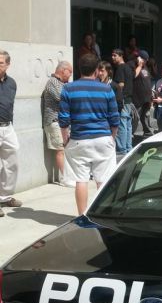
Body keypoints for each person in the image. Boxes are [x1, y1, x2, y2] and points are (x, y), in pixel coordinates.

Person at [58, 54, 119, 216]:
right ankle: (103, 215)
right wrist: (112, 137)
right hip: (103, 138)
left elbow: (63, 119)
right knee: (103, 180)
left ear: (79, 69)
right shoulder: (107, 89)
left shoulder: (68, 88)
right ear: (97, 70)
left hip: (79, 139)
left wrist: (65, 140)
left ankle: (82, 216)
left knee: (81, 180)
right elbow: (114, 118)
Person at [42, 61, 74, 185]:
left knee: (65, 149)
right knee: (60, 150)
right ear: (63, 70)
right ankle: (64, 179)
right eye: (69, 72)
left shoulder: (62, 83)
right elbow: (63, 99)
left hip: (62, 122)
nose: (70, 75)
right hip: (54, 121)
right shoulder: (52, 82)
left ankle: (67, 175)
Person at [0, 50, 22, 216]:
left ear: (8, 64)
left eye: (1, 62)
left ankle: (5, 197)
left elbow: (10, 105)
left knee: (12, 163)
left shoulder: (12, 83)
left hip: (8, 127)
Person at [111, 48, 134, 156]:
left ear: (121, 56)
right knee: (128, 124)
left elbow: (121, 84)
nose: (113, 57)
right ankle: (128, 148)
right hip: (129, 99)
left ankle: (121, 149)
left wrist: (117, 97)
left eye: (115, 55)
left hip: (123, 99)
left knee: (122, 124)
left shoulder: (120, 68)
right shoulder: (128, 67)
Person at [132, 50, 153, 136]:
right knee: (135, 118)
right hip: (138, 98)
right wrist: (139, 66)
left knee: (146, 116)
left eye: (145, 60)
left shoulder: (146, 68)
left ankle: (147, 132)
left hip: (146, 98)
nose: (145, 62)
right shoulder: (134, 66)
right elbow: (134, 76)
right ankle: (130, 134)